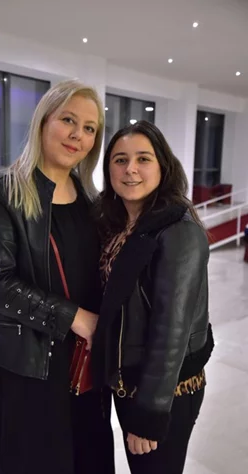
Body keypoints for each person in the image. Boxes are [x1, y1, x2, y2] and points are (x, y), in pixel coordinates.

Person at [0, 79, 115, 474]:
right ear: (43, 120)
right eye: (68, 120)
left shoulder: (89, 198)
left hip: (85, 359)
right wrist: (77, 319)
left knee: (86, 452)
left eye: (89, 128)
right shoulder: (2, 192)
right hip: (29, 360)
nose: (77, 135)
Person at [92, 120, 214, 474]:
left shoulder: (179, 231)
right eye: (119, 159)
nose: (130, 169)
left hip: (165, 390)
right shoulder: (117, 224)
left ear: (163, 165)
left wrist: (149, 414)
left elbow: (170, 332)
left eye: (143, 158)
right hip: (128, 380)